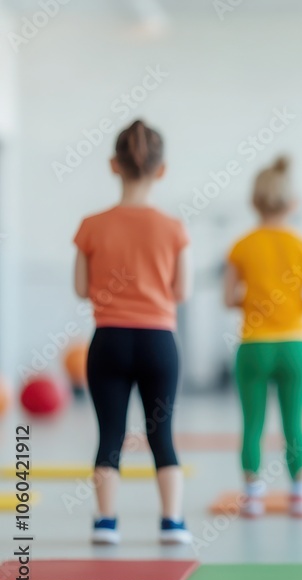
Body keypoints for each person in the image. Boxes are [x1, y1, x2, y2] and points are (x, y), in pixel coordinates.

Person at [73, 119, 193, 545]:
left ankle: (105, 523)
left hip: (108, 341)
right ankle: (172, 522)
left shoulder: (91, 225)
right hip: (158, 343)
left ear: (113, 165)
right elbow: (182, 291)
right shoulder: (173, 228)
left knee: (110, 433)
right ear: (162, 170)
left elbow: (81, 288)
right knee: (162, 434)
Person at [224, 156, 302, 518]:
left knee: (252, 423)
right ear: (292, 203)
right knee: (294, 422)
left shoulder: (241, 246)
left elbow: (227, 298)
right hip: (295, 345)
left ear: (254, 202)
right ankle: (300, 493)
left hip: (254, 346)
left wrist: (254, 301)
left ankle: (252, 495)